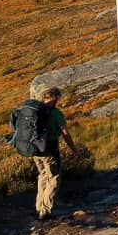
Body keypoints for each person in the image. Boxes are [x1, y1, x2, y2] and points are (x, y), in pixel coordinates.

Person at [34, 86, 81, 221]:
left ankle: (39, 206)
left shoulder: (37, 111)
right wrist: (74, 149)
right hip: (50, 148)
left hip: (35, 150)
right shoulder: (56, 114)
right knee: (53, 177)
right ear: (55, 98)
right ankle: (46, 211)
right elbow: (65, 134)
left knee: (42, 175)